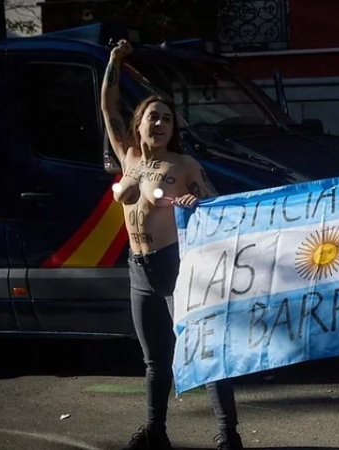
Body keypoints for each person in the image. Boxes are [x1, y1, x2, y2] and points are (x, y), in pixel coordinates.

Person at [102, 40, 244, 450]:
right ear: (140, 124)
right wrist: (114, 60)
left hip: (178, 268)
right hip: (139, 270)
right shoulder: (127, 158)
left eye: (167, 119)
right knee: (154, 361)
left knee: (203, 351)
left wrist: (196, 203)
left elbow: (218, 208)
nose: (161, 124)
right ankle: (155, 431)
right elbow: (108, 109)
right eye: (153, 117)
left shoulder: (184, 166)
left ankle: (227, 435)